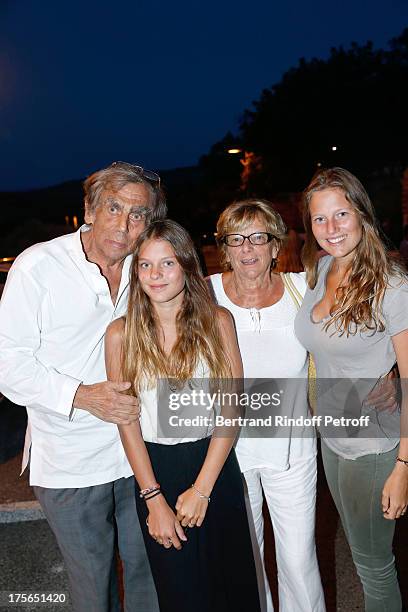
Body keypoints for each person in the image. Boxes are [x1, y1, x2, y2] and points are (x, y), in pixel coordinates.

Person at [0, 161, 167, 611]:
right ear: (89, 209)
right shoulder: (38, 267)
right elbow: (7, 364)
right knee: (93, 590)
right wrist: (83, 396)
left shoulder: (146, 268)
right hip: (70, 462)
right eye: (113, 208)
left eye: (138, 215)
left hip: (139, 453)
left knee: (150, 577)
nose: (124, 224)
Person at [104, 219, 261, 612]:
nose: (155, 275)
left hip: (215, 466)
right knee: (182, 594)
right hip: (157, 474)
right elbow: (128, 422)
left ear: (187, 266)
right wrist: (154, 499)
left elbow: (231, 408)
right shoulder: (121, 334)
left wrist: (204, 489)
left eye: (167, 263)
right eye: (144, 265)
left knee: (233, 589)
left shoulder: (217, 321)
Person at [295, 167, 408, 611]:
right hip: (333, 439)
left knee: (373, 566)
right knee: (364, 555)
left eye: (341, 214)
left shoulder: (393, 285)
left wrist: (403, 465)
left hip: (374, 446)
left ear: (362, 214)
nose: (331, 229)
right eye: (320, 219)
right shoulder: (320, 268)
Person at [208, 199, 326, 612]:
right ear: (224, 247)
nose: (248, 248)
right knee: (247, 554)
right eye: (236, 239)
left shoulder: (303, 289)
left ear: (276, 245)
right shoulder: (205, 294)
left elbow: (356, 319)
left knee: (297, 559)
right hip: (228, 451)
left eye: (259, 237)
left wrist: (386, 368)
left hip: (292, 448)